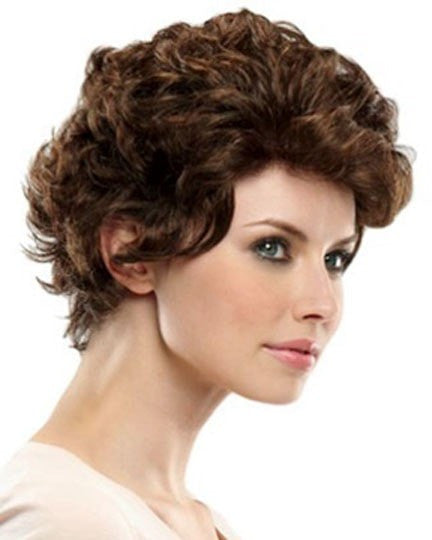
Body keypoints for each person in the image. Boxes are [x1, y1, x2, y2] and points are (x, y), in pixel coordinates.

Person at [0, 7, 414, 540]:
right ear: (130, 253)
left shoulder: (193, 522)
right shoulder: (67, 520)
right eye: (272, 247)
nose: (323, 305)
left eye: (335, 260)